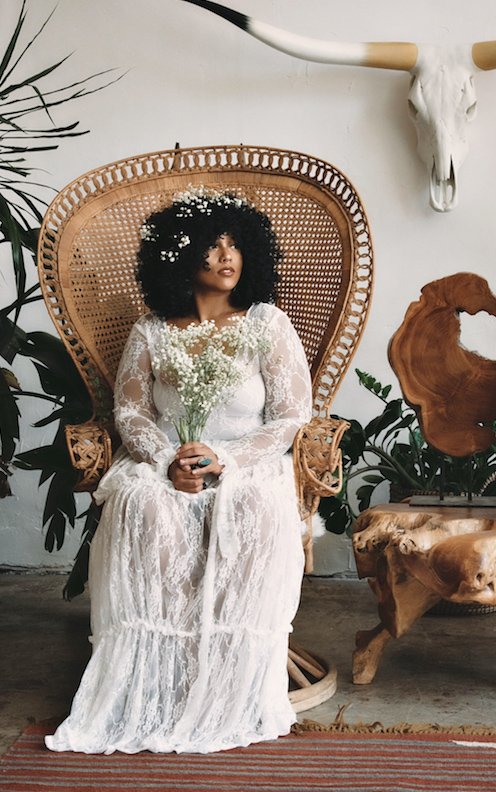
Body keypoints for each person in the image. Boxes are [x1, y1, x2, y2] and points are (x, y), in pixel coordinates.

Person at [45, 186, 312, 754]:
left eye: (236, 244)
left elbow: (291, 416)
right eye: (213, 245)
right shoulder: (152, 330)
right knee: (143, 503)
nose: (226, 256)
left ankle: (229, 676)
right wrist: (168, 461)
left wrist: (228, 460)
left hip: (248, 461)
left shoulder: (267, 324)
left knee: (251, 505)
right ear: (181, 252)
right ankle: (160, 673)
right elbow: (131, 410)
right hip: (166, 458)